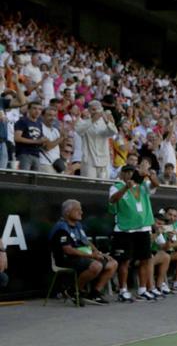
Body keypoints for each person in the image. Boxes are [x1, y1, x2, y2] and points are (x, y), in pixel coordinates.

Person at [109, 160, 161, 302]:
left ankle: (143, 289)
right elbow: (113, 200)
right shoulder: (116, 186)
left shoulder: (143, 185)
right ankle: (123, 290)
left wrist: (149, 175)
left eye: (132, 172)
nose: (130, 174)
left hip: (143, 228)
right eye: (127, 172)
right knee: (125, 261)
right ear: (122, 174)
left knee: (145, 259)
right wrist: (126, 187)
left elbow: (157, 185)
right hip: (125, 230)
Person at [49, 199, 118, 304]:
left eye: (80, 210)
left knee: (113, 264)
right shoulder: (61, 227)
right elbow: (68, 250)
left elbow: (86, 242)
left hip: (83, 257)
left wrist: (98, 253)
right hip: (66, 259)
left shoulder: (78, 225)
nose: (81, 212)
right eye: (77, 210)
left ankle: (95, 293)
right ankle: (74, 291)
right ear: (68, 212)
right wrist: (91, 255)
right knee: (96, 265)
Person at [76, 101, 117, 179]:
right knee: (89, 184)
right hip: (89, 159)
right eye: (93, 110)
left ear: (101, 110)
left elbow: (113, 132)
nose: (95, 112)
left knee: (102, 185)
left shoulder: (105, 123)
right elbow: (79, 130)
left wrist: (108, 121)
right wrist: (92, 120)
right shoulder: (83, 122)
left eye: (97, 110)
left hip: (103, 159)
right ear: (89, 111)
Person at [13, 102, 47, 171]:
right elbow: (17, 138)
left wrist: (43, 142)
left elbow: (39, 139)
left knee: (36, 179)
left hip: (36, 155)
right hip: (24, 154)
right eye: (34, 108)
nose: (37, 111)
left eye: (40, 109)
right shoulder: (22, 121)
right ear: (28, 110)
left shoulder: (39, 124)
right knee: (24, 177)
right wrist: (37, 141)